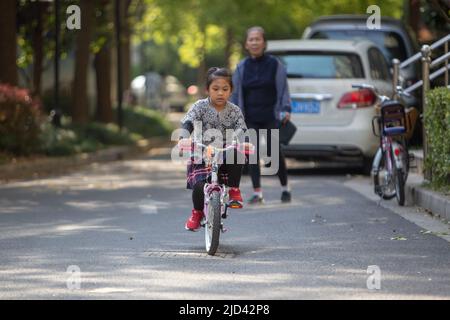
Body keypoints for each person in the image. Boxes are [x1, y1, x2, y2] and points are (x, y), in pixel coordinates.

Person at [178, 67, 248, 231]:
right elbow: (188, 122)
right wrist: (183, 138)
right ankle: (196, 212)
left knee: (238, 154)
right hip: (202, 151)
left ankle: (234, 189)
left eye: (225, 89)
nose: (220, 93)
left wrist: (243, 141)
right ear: (207, 90)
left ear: (231, 91)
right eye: (215, 89)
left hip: (225, 150)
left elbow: (241, 129)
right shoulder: (199, 107)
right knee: (199, 185)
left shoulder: (234, 110)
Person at [231, 26, 292, 204]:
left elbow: (283, 90)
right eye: (251, 39)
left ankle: (285, 188)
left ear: (264, 43)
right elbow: (235, 95)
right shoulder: (241, 67)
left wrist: (286, 109)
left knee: (274, 152)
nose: (255, 42)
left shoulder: (275, 64)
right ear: (246, 44)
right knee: (251, 154)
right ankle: (258, 192)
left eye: (258, 39)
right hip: (249, 117)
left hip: (271, 115)